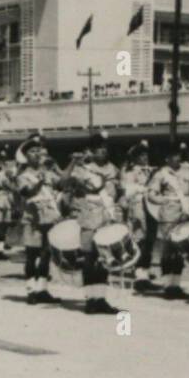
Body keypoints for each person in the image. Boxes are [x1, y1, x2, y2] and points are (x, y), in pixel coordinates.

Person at [70, 131, 120, 314]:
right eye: (99, 149)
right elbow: (77, 186)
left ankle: (101, 298)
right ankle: (90, 299)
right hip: (90, 216)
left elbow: (116, 192)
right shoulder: (83, 169)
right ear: (92, 151)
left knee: (104, 259)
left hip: (106, 216)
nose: (103, 152)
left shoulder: (114, 169)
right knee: (90, 259)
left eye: (105, 149)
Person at [146, 142, 189, 299]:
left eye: (178, 155)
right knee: (168, 251)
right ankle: (168, 286)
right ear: (167, 158)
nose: (177, 158)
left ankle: (177, 285)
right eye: (173, 155)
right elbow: (151, 194)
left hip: (185, 214)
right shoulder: (161, 174)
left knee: (180, 251)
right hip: (168, 216)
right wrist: (165, 201)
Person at [14, 135, 59, 302]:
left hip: (48, 216)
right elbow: (27, 192)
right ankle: (31, 290)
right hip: (32, 218)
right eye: (32, 152)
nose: (36, 154)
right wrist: (39, 181)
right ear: (26, 156)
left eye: (38, 151)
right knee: (32, 254)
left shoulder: (46, 172)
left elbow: (61, 183)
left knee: (47, 254)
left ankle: (43, 289)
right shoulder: (22, 175)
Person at [120, 141, 159, 294]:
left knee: (150, 240)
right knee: (140, 240)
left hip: (151, 208)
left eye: (145, 155)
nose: (145, 158)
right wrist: (144, 188)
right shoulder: (130, 170)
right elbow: (128, 190)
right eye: (141, 155)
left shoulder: (148, 170)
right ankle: (138, 276)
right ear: (135, 158)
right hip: (138, 208)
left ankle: (145, 274)